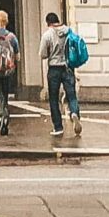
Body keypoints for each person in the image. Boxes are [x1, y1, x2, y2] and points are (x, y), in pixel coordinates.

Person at [39, 11, 82, 143]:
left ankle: (58, 127)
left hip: (54, 69)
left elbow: (42, 54)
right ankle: (74, 113)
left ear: (48, 23)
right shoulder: (69, 31)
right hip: (68, 67)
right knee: (71, 95)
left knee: (53, 98)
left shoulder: (47, 35)